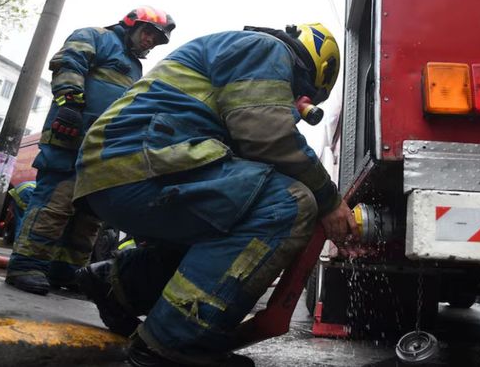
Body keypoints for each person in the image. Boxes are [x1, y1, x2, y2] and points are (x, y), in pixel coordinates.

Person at [72, 23, 359, 366]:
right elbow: (267, 135)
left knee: (236, 216)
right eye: (301, 95)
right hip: (147, 163)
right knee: (289, 202)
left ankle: (119, 286)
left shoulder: (239, 53)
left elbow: (252, 147)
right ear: (313, 68)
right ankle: (172, 343)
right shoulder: (268, 49)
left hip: (126, 169)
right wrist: (328, 199)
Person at [5, 7, 176, 295]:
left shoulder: (135, 67)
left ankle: (67, 270)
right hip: (69, 136)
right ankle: (27, 265)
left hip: (101, 149)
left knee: (88, 215)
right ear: (132, 24)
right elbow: (68, 62)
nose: (150, 41)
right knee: (55, 204)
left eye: (156, 40)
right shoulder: (96, 37)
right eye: (148, 33)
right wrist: (70, 104)